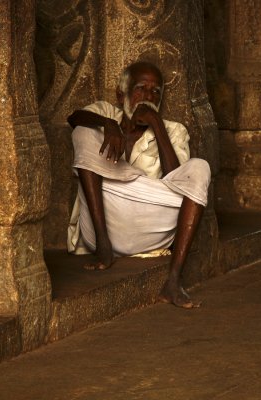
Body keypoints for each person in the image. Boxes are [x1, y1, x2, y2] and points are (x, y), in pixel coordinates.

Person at [67, 61, 211, 308]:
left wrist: (157, 126)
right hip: (103, 222)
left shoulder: (175, 130)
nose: (148, 96)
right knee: (83, 131)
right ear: (121, 94)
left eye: (156, 92)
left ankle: (173, 282)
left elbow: (179, 183)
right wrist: (107, 124)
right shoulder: (105, 113)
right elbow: (74, 117)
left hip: (151, 231)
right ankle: (104, 248)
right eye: (141, 88)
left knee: (200, 167)